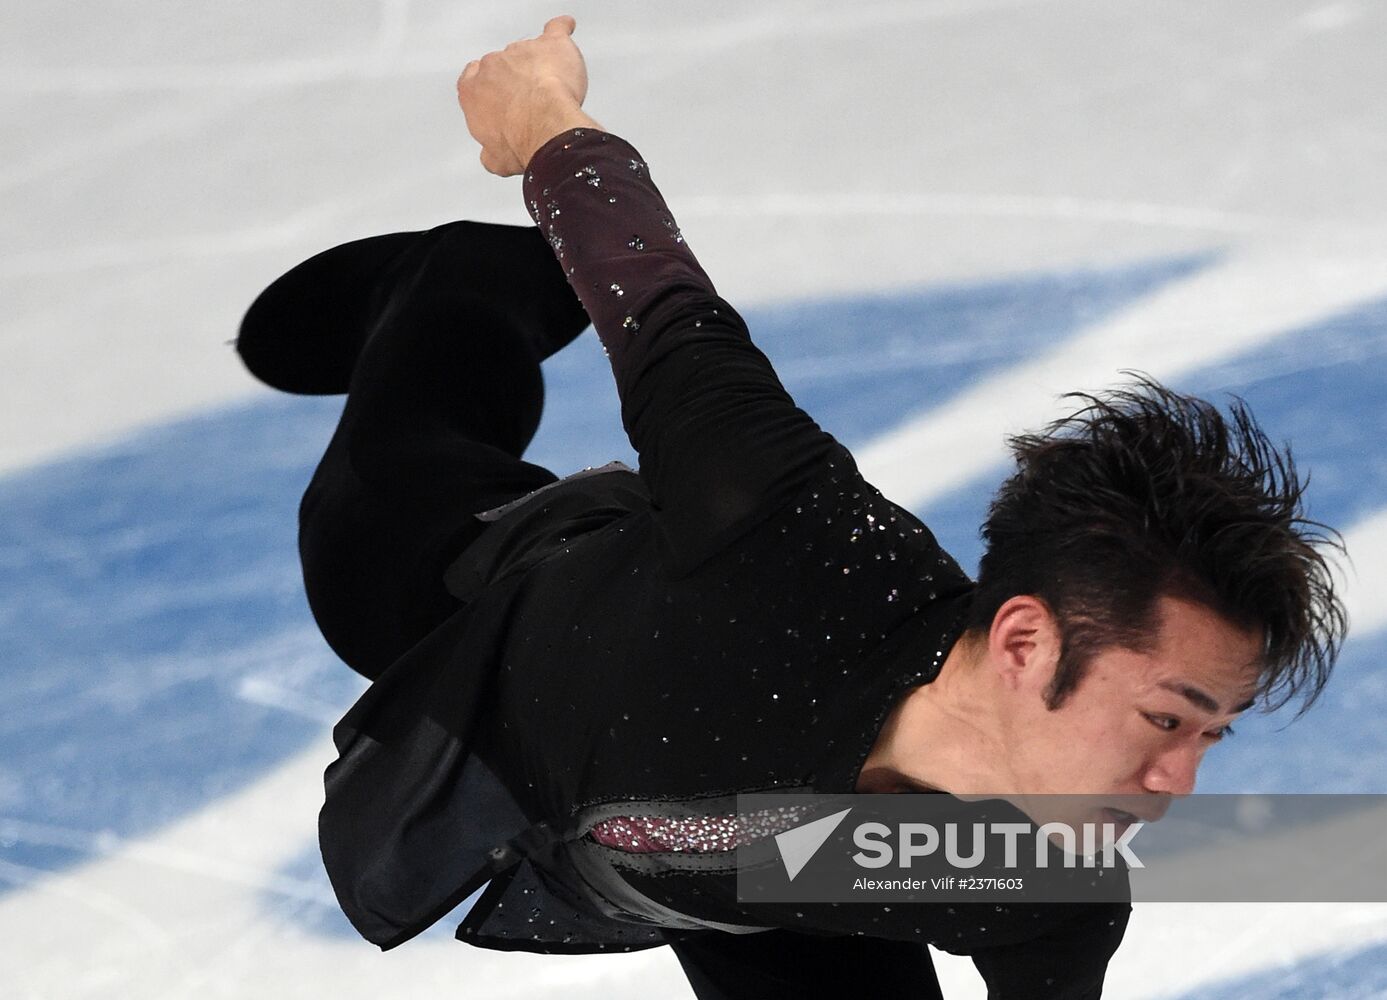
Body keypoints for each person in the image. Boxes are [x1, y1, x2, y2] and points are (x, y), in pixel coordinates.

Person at [233, 15, 1346, 999]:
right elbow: (659, 300)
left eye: (1208, 734)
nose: (1180, 787)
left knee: (780, 859)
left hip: (767, 877)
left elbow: (676, 845)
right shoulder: (786, 525)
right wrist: (545, 119)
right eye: (1163, 718)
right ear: (1023, 639)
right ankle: (454, 287)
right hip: (503, 622)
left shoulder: (1037, 884)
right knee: (363, 507)